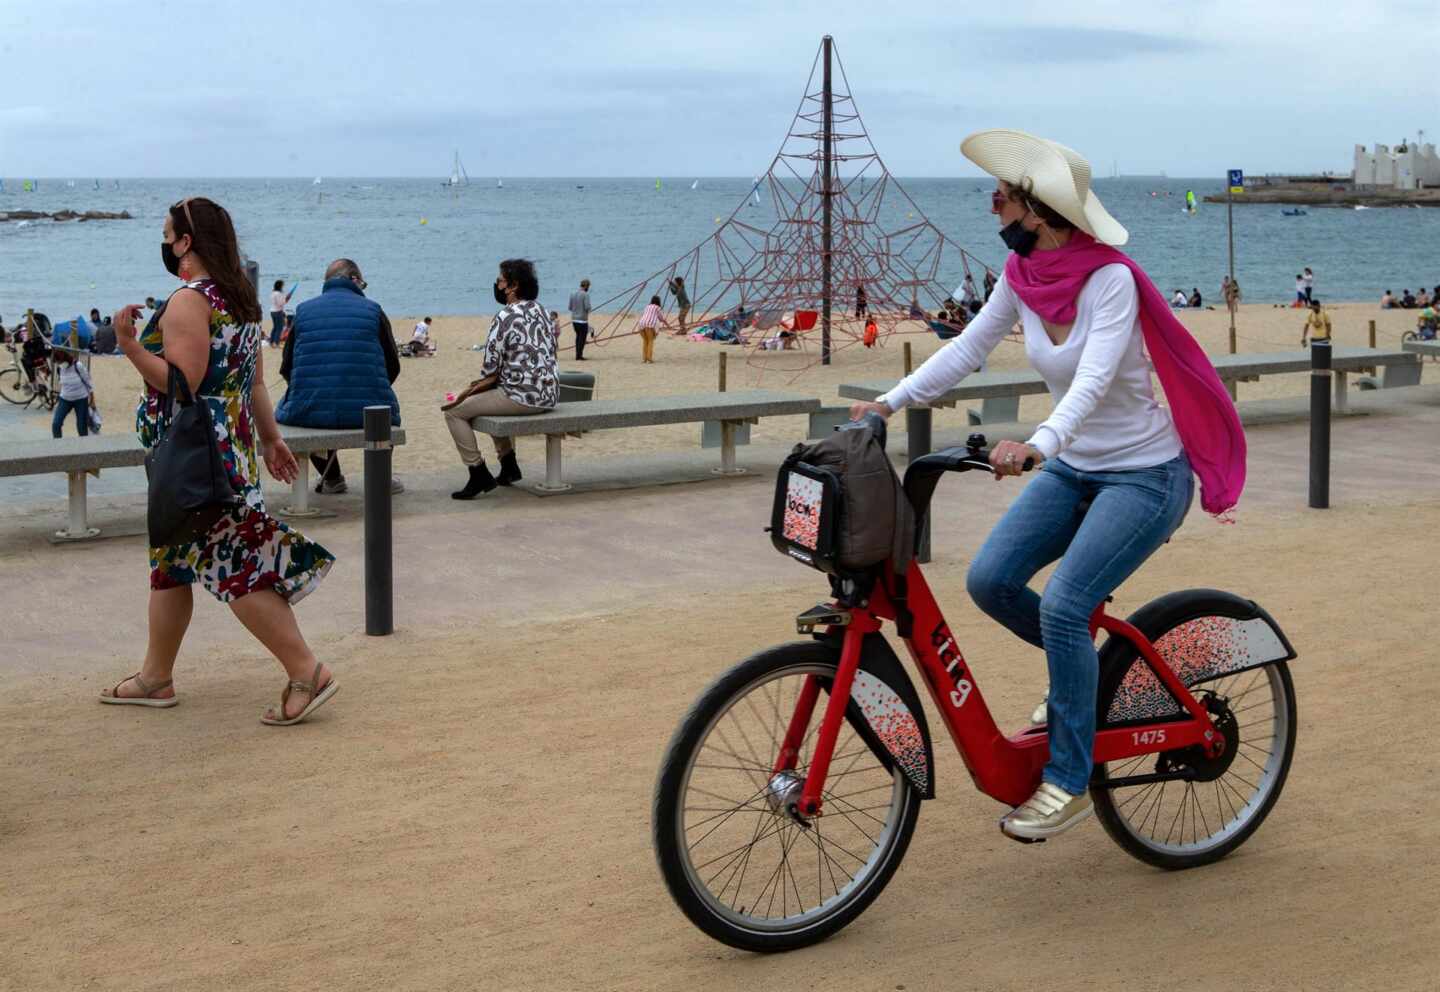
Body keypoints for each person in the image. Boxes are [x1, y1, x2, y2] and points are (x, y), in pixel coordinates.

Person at [849, 130, 1242, 842]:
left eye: (1002, 194)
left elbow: (1093, 379)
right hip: (1074, 465)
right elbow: (968, 347)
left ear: (1040, 211)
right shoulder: (1021, 274)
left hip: (1145, 474)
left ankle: (1068, 778)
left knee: (1064, 606)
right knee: (991, 580)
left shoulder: (1111, 280)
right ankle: (1083, 683)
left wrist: (1037, 444)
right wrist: (890, 399)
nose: (991, 201)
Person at [100, 196, 337, 725]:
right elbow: (251, 381)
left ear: (186, 242)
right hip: (227, 445)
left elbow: (182, 383)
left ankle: (307, 670)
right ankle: (155, 677)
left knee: (234, 564)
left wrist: (129, 347)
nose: (164, 243)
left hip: (196, 454)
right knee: (170, 563)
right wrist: (272, 439)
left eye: (167, 233)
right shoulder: (240, 299)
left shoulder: (189, 300)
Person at [276, 258, 403, 495]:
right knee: (385, 408)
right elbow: (392, 364)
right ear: (354, 280)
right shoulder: (374, 310)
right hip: (369, 412)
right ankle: (380, 476)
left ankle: (332, 478)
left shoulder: (303, 311)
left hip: (310, 411)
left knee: (303, 412)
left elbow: (287, 367)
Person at [444, 258, 557, 499]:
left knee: (454, 413)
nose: (497, 285)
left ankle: (477, 472)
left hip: (521, 397)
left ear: (513, 286)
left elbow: (490, 368)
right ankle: (508, 466)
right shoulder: (545, 312)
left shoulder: (505, 316)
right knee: (493, 397)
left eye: (500, 281)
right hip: (548, 394)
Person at [50, 348, 93, 437]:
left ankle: (84, 448)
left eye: (60, 362)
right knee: (56, 424)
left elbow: (88, 381)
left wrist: (92, 398)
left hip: (81, 399)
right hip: (65, 398)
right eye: (57, 362)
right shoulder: (60, 368)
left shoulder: (78, 366)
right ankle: (58, 446)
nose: (59, 364)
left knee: (82, 427)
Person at [636, 295, 669, 363]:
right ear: (658, 301)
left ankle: (644, 358)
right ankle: (649, 359)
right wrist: (668, 325)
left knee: (645, 341)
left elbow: (645, 315)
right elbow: (661, 318)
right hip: (649, 325)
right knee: (650, 341)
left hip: (641, 324)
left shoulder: (647, 306)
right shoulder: (658, 308)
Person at [569, 278, 592, 359]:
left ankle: (578, 355)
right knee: (582, 338)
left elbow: (570, 307)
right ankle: (579, 356)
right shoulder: (585, 294)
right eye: (588, 287)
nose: (588, 288)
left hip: (574, 320)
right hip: (582, 320)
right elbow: (587, 307)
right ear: (586, 286)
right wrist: (589, 310)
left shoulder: (572, 293)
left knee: (578, 336)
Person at [268, 279, 293, 347]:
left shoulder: (273, 293)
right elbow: (281, 303)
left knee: (275, 327)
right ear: (280, 286)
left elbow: (278, 302)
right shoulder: (278, 293)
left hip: (272, 311)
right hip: (278, 311)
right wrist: (287, 299)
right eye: (282, 285)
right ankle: (276, 343)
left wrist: (285, 298)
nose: (283, 287)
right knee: (279, 327)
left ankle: (271, 342)